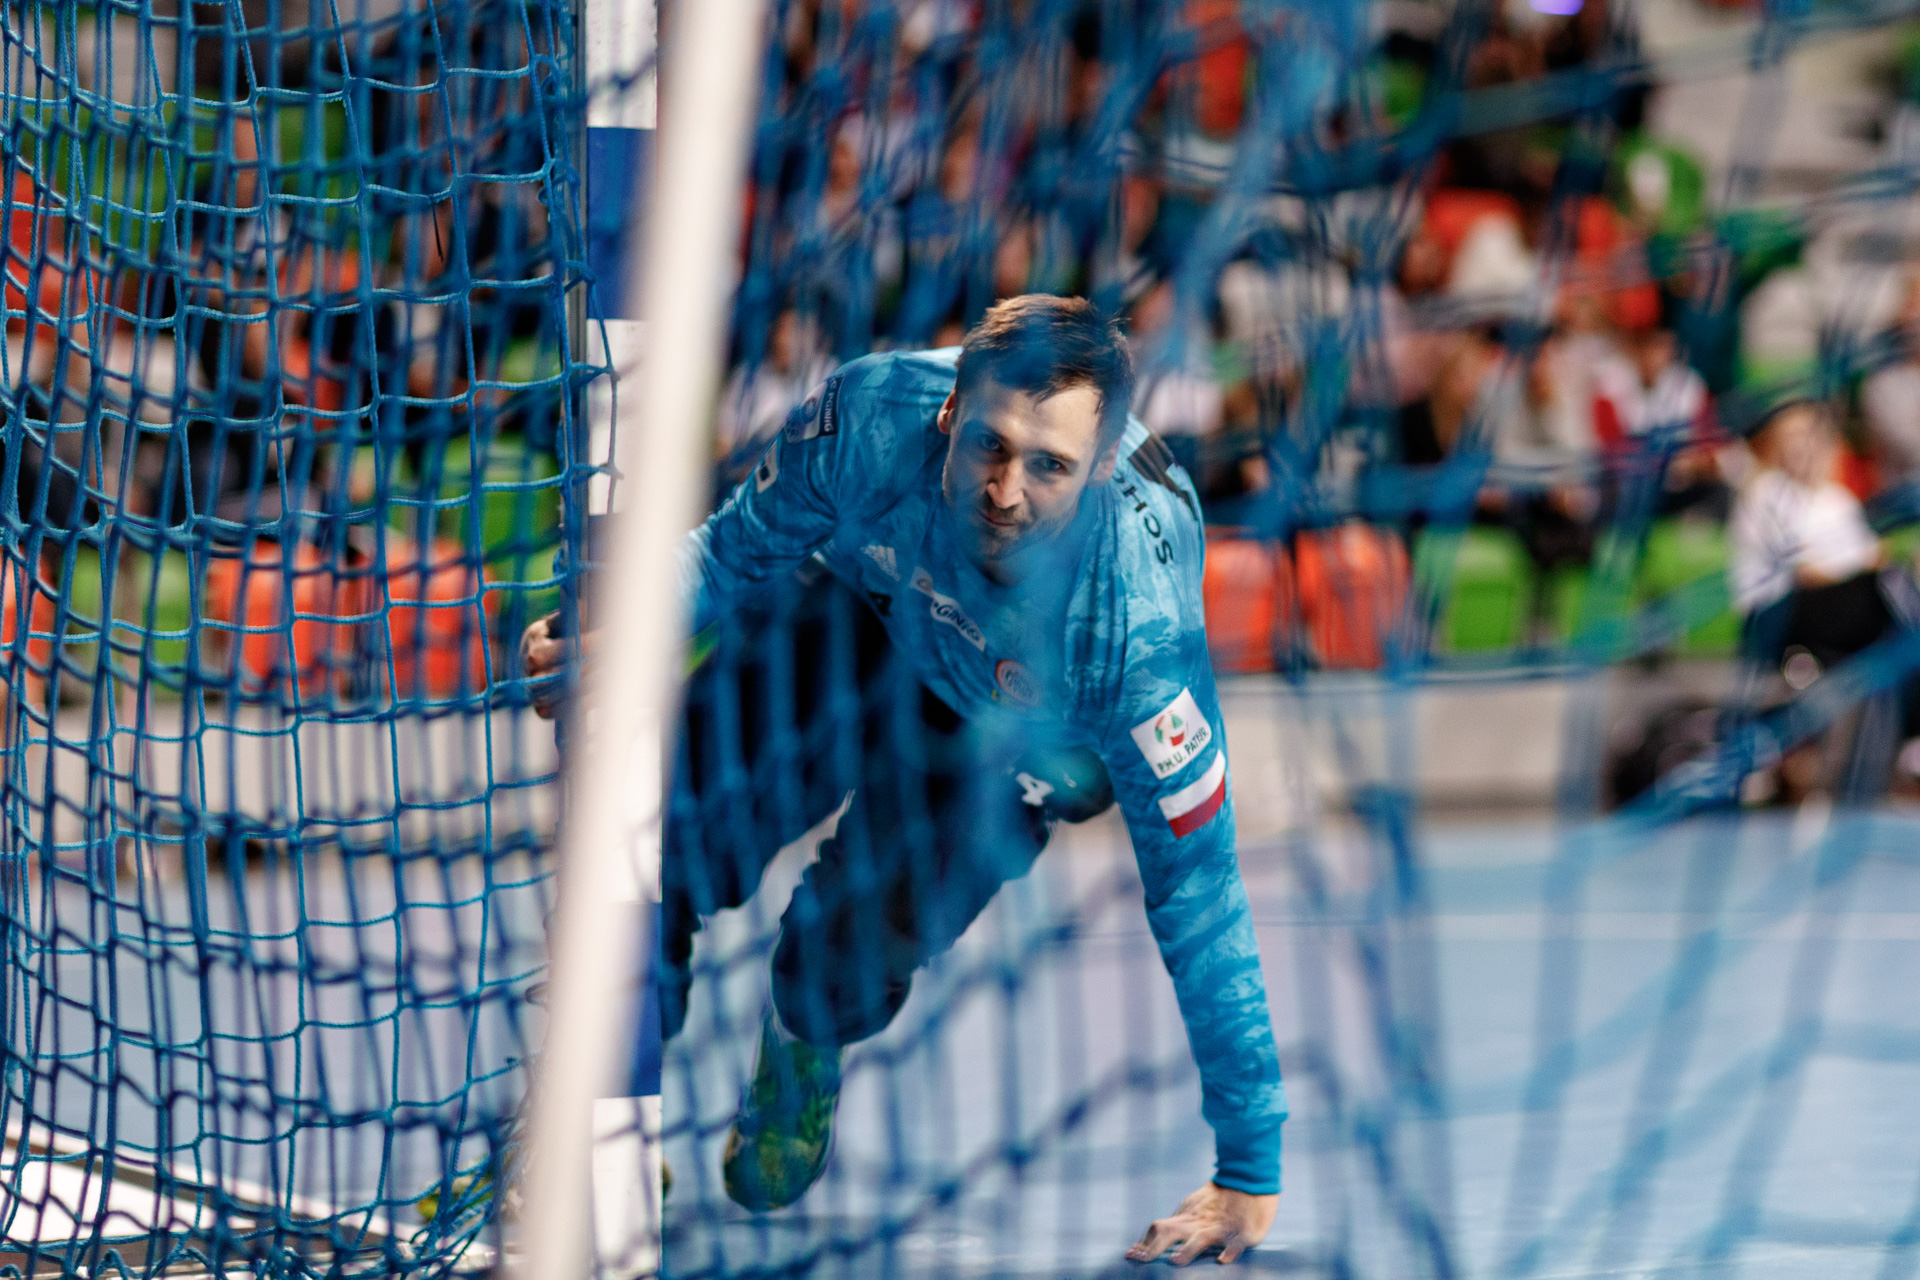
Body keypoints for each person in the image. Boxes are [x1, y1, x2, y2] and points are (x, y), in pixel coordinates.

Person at [523, 295, 1286, 1264]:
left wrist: (1248, 1169)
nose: (1005, 490)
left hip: (1028, 729)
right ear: (948, 413)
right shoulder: (868, 418)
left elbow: (1198, 890)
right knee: (656, 835)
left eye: (1049, 466)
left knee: (843, 953)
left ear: (1099, 470)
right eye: (989, 446)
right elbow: (729, 550)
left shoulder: (1136, 636)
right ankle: (603, 1131)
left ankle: (803, 1043)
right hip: (871, 611)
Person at [1729, 400, 1889, 672]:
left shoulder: (1839, 500)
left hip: (1840, 605)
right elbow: (1805, 572)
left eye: (1811, 435)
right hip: (1777, 613)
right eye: (1794, 436)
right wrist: (1858, 567)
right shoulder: (1766, 493)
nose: (1803, 445)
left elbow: (1876, 557)